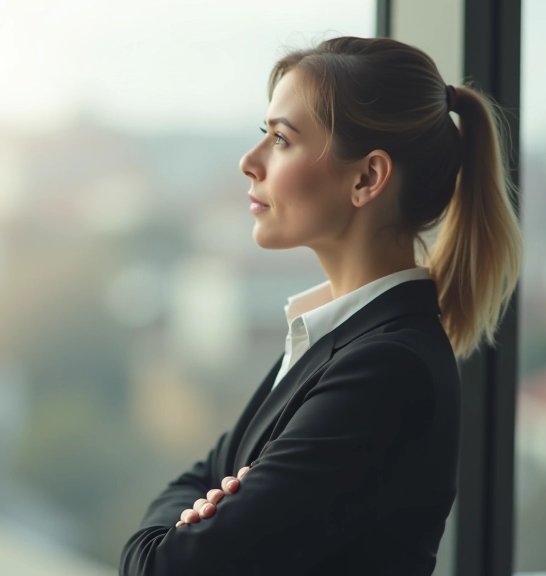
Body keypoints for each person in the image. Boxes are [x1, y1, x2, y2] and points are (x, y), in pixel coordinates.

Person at [119, 35, 522, 575]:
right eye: (263, 134)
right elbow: (195, 482)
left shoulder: (387, 370)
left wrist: (181, 528)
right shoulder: (333, 339)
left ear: (366, 178)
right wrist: (196, 516)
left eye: (281, 139)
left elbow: (165, 568)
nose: (248, 161)